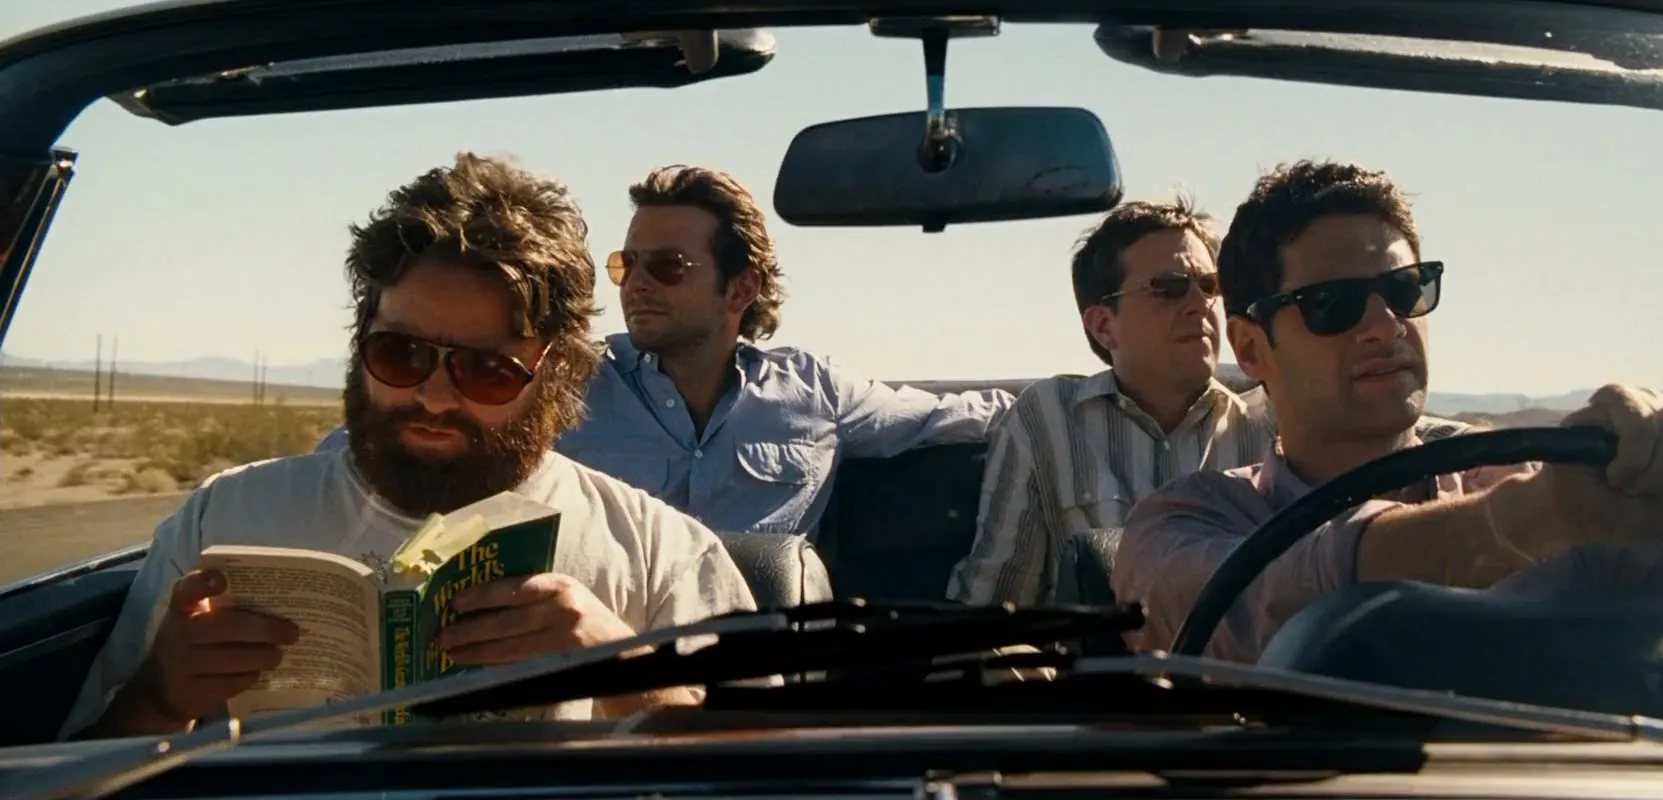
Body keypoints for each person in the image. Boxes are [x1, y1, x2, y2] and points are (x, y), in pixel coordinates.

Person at [61, 153, 758, 739]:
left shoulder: (660, 555)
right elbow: (68, 772)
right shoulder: (225, 519)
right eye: (400, 354)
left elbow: (767, 776)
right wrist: (161, 695)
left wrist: (619, 664)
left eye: (486, 370)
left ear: (558, 378)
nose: (434, 396)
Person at [1113, 159, 1663, 663]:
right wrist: (1526, 523)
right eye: (1333, 305)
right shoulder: (1188, 521)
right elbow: (1257, 594)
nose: (1385, 325)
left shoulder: (1545, 486)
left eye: (1405, 290)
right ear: (1250, 348)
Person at [552, 165, 1013, 537]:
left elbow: (965, 416)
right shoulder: (568, 388)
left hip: (763, 626)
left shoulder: (815, 393)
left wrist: (1057, 407)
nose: (635, 283)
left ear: (741, 288)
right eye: (627, 264)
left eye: (667, 266)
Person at [946, 198, 1277, 606]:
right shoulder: (1048, 419)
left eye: (1209, 286)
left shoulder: (1270, 427)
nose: (1200, 305)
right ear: (1103, 325)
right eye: (1169, 288)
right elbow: (996, 601)